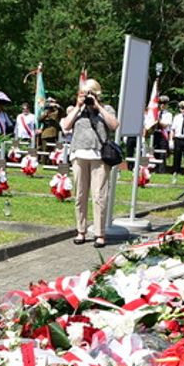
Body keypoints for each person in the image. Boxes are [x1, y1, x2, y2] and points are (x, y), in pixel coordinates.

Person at [60, 78, 120, 247]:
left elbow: (114, 125)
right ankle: (81, 230)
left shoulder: (106, 109)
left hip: (100, 157)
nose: (87, 96)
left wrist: (98, 107)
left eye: (90, 93)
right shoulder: (75, 109)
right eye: (84, 93)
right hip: (79, 155)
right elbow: (65, 126)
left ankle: (100, 233)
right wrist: (78, 106)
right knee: (80, 195)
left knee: (99, 196)